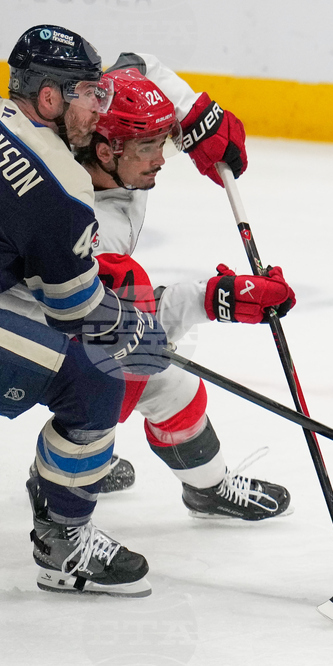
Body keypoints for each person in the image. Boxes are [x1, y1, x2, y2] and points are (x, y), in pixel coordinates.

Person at [16, 63, 296, 520]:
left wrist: (196, 116)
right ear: (106, 151)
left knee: (169, 386)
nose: (162, 158)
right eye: (149, 146)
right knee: (152, 380)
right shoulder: (83, 221)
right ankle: (58, 477)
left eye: (163, 141)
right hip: (25, 322)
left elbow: (136, 65)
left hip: (55, 298)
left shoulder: (85, 125)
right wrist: (215, 298)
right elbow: (119, 326)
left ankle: (205, 488)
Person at [1, 25, 171, 597]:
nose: (100, 107)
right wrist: (134, 329)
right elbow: (75, 310)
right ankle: (64, 546)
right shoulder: (61, 185)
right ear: (49, 98)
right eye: (88, 93)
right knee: (95, 377)